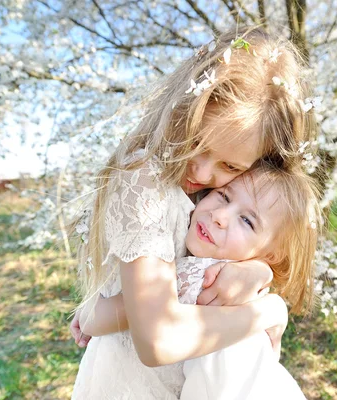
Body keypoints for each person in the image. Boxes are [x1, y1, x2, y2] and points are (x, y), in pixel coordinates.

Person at [69, 26, 318, 399]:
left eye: (230, 168)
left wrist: (258, 267)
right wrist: (269, 310)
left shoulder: (207, 199)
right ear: (183, 111)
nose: (201, 174)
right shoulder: (145, 181)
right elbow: (156, 339)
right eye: (196, 143)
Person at [82, 162, 319, 399]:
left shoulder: (205, 279)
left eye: (247, 221)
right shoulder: (242, 283)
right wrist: (273, 303)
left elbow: (90, 320)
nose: (220, 216)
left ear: (271, 255)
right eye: (224, 196)